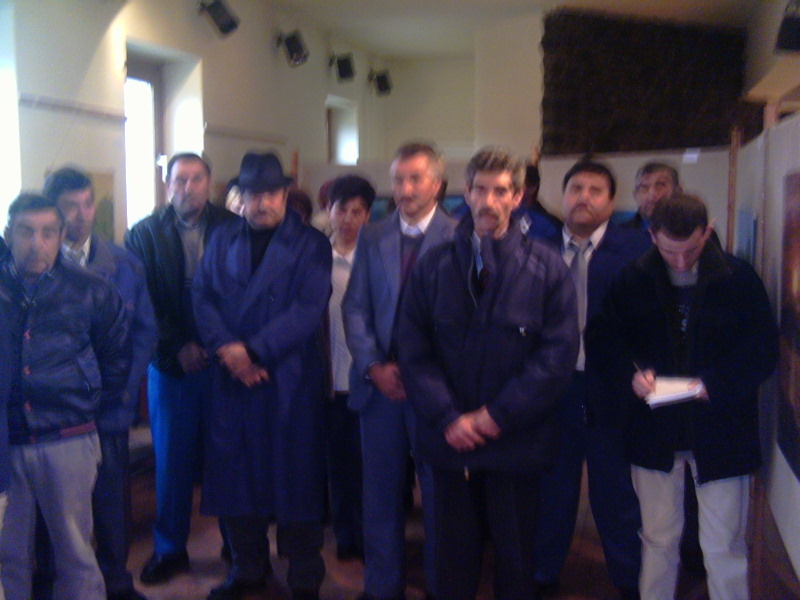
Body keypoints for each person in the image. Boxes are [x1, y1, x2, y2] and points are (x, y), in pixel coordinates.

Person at [398, 147, 579, 600]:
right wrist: (449, 418)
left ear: (518, 197)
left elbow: (555, 357)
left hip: (515, 443)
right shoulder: (434, 266)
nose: (489, 201)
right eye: (480, 189)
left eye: (501, 191)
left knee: (515, 564)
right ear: (466, 192)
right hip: (449, 443)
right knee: (450, 563)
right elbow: (413, 351)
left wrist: (496, 416)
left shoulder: (547, 268)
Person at [586, 192, 779, 600]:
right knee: (658, 540)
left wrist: (715, 384)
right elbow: (604, 341)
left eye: (690, 250)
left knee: (723, 546)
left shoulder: (738, 278)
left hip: (722, 430)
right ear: (652, 236)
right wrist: (631, 375)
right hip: (654, 429)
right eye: (669, 251)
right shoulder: (632, 279)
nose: (679, 262)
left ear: (707, 232)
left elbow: (762, 350)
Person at [194, 152, 332, 600]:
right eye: (254, 194)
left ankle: (304, 578)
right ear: (242, 196)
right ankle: (247, 569)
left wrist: (253, 351)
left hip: (287, 382)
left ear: (285, 193)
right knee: (237, 482)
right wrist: (227, 350)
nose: (263, 202)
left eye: (271, 193)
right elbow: (202, 297)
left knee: (296, 486)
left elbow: (308, 310)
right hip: (233, 382)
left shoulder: (311, 244)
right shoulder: (221, 238)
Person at [0, 193, 131, 600]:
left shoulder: (91, 290)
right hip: (7, 441)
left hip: (69, 436)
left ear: (60, 236)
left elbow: (116, 358)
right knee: (8, 555)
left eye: (47, 233)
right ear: (8, 234)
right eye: (26, 232)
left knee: (75, 553)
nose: (36, 243)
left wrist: (87, 403)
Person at [34, 167, 156, 600]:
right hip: (55, 411)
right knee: (56, 507)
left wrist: (125, 388)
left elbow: (145, 331)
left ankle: (116, 581)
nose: (82, 214)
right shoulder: (34, 265)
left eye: (87, 204)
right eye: (70, 206)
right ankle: (57, 585)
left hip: (110, 406)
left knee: (110, 501)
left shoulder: (124, 264)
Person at [342, 142, 456, 600]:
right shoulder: (373, 236)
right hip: (381, 389)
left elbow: (465, 322)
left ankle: (441, 586)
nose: (405, 189)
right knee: (380, 495)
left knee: (440, 498)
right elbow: (355, 307)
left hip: (436, 392)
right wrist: (373, 365)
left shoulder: (460, 236)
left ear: (437, 184)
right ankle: (382, 587)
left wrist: (424, 376)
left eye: (415, 179)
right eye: (398, 180)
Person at [532, 161, 650, 600]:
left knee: (615, 490)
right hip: (553, 389)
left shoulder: (638, 250)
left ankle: (628, 579)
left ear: (612, 201)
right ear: (562, 197)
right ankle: (543, 573)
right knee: (553, 489)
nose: (583, 196)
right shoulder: (535, 248)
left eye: (595, 190)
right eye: (576, 188)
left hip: (614, 389)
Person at [126, 152, 238, 584]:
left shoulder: (233, 227)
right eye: (180, 179)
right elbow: (142, 302)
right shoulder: (144, 234)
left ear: (209, 183)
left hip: (222, 363)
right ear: (167, 184)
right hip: (170, 365)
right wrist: (177, 346)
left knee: (226, 460)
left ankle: (237, 545)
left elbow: (242, 295)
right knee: (171, 464)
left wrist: (215, 344)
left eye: (196, 179)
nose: (187, 187)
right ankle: (170, 549)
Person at [325, 174, 375, 561]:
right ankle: (345, 534)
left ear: (368, 216)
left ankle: (370, 534)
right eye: (342, 210)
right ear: (329, 211)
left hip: (367, 378)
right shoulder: (316, 260)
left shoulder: (375, 259)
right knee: (338, 466)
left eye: (357, 211)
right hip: (329, 381)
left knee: (369, 466)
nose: (348, 219)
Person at [621, 162, 680, 231]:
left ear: (677, 191)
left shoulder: (690, 230)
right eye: (643, 187)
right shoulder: (620, 233)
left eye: (660, 185)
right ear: (635, 195)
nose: (652, 194)